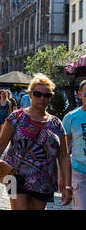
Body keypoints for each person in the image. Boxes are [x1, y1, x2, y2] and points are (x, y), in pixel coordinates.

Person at [0, 74, 72, 210]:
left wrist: (67, 185)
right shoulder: (16, 117)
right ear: (30, 95)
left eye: (47, 95)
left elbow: (64, 156)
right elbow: (0, 144)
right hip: (14, 176)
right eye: (38, 94)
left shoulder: (56, 123)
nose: (42, 98)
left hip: (44, 181)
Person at [61, 80, 86, 210]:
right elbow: (64, 152)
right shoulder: (71, 118)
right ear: (80, 94)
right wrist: (64, 179)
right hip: (79, 172)